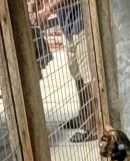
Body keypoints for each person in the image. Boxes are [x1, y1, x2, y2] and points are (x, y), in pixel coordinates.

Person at [27, 0, 100, 143]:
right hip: (69, 27)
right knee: (78, 75)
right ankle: (86, 118)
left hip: (84, 23)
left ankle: (97, 126)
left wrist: (48, 8)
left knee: (90, 78)